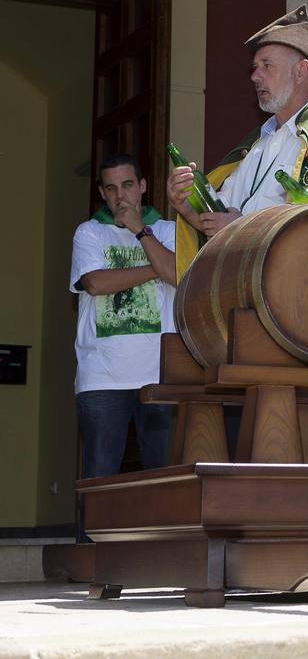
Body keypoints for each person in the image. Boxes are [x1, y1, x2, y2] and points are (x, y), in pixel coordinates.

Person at [168, 5, 308, 274]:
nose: (255, 76)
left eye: (267, 65)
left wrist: (241, 227)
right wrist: (184, 204)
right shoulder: (255, 145)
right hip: (244, 288)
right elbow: (217, 219)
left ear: (301, 71)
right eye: (255, 67)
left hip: (296, 295)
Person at [70, 154, 177, 537]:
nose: (121, 196)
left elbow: (182, 278)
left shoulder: (167, 230)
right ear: (101, 192)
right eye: (111, 189)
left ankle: (163, 558)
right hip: (102, 377)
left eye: (128, 186)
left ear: (143, 186)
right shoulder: (89, 233)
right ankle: (91, 561)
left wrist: (140, 232)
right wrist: (159, 268)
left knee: (164, 477)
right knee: (100, 477)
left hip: (161, 374)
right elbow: (96, 283)